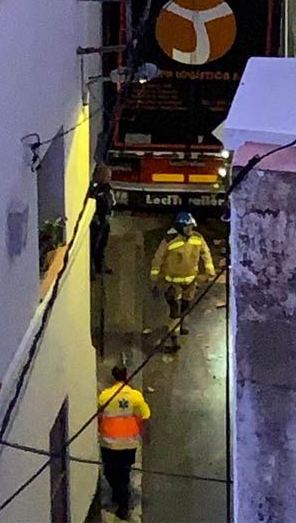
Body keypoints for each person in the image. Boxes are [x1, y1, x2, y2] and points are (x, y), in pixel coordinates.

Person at [150, 211, 215, 349]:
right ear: (180, 227)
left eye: (191, 227)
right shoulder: (169, 240)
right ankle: (174, 338)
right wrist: (154, 277)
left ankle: (181, 325)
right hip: (173, 282)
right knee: (175, 310)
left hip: (191, 281)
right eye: (187, 227)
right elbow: (158, 258)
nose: (190, 230)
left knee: (186, 305)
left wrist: (210, 272)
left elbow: (206, 254)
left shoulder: (197, 238)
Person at [98, 365, 151, 520]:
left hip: (109, 444)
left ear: (113, 377)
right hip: (129, 444)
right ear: (126, 376)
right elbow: (145, 417)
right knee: (124, 473)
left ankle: (122, 503)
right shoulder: (135, 397)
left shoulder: (105, 396)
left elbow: (99, 417)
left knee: (111, 473)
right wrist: (147, 437)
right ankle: (120, 497)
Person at [90, 163, 115, 276]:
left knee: (102, 244)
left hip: (105, 221)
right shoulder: (95, 190)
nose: (109, 178)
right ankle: (91, 269)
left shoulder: (108, 188)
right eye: (107, 176)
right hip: (98, 222)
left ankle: (100, 265)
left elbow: (111, 202)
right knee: (94, 245)